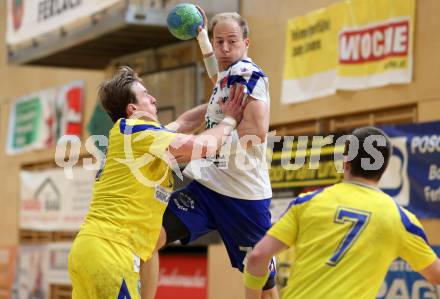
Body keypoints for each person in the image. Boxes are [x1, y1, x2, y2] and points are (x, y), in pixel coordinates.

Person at [67, 66, 246, 298]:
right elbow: (202, 147)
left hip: (92, 248)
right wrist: (230, 119)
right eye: (145, 95)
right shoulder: (135, 129)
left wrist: (216, 103)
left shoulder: (139, 137)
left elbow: (184, 122)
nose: (154, 98)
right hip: (111, 251)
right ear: (132, 108)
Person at [141, 8, 279, 299]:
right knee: (148, 238)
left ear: (247, 43)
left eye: (232, 41)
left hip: (244, 198)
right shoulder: (226, 76)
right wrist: (202, 34)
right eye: (219, 42)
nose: (225, 48)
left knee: (262, 285)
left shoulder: (249, 75)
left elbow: (256, 135)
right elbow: (214, 71)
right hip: (207, 191)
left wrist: (197, 150)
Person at [243, 127, 440, 299]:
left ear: (345, 161)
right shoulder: (401, 219)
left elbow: (257, 257)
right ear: (385, 168)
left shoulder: (307, 202)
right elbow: (436, 275)